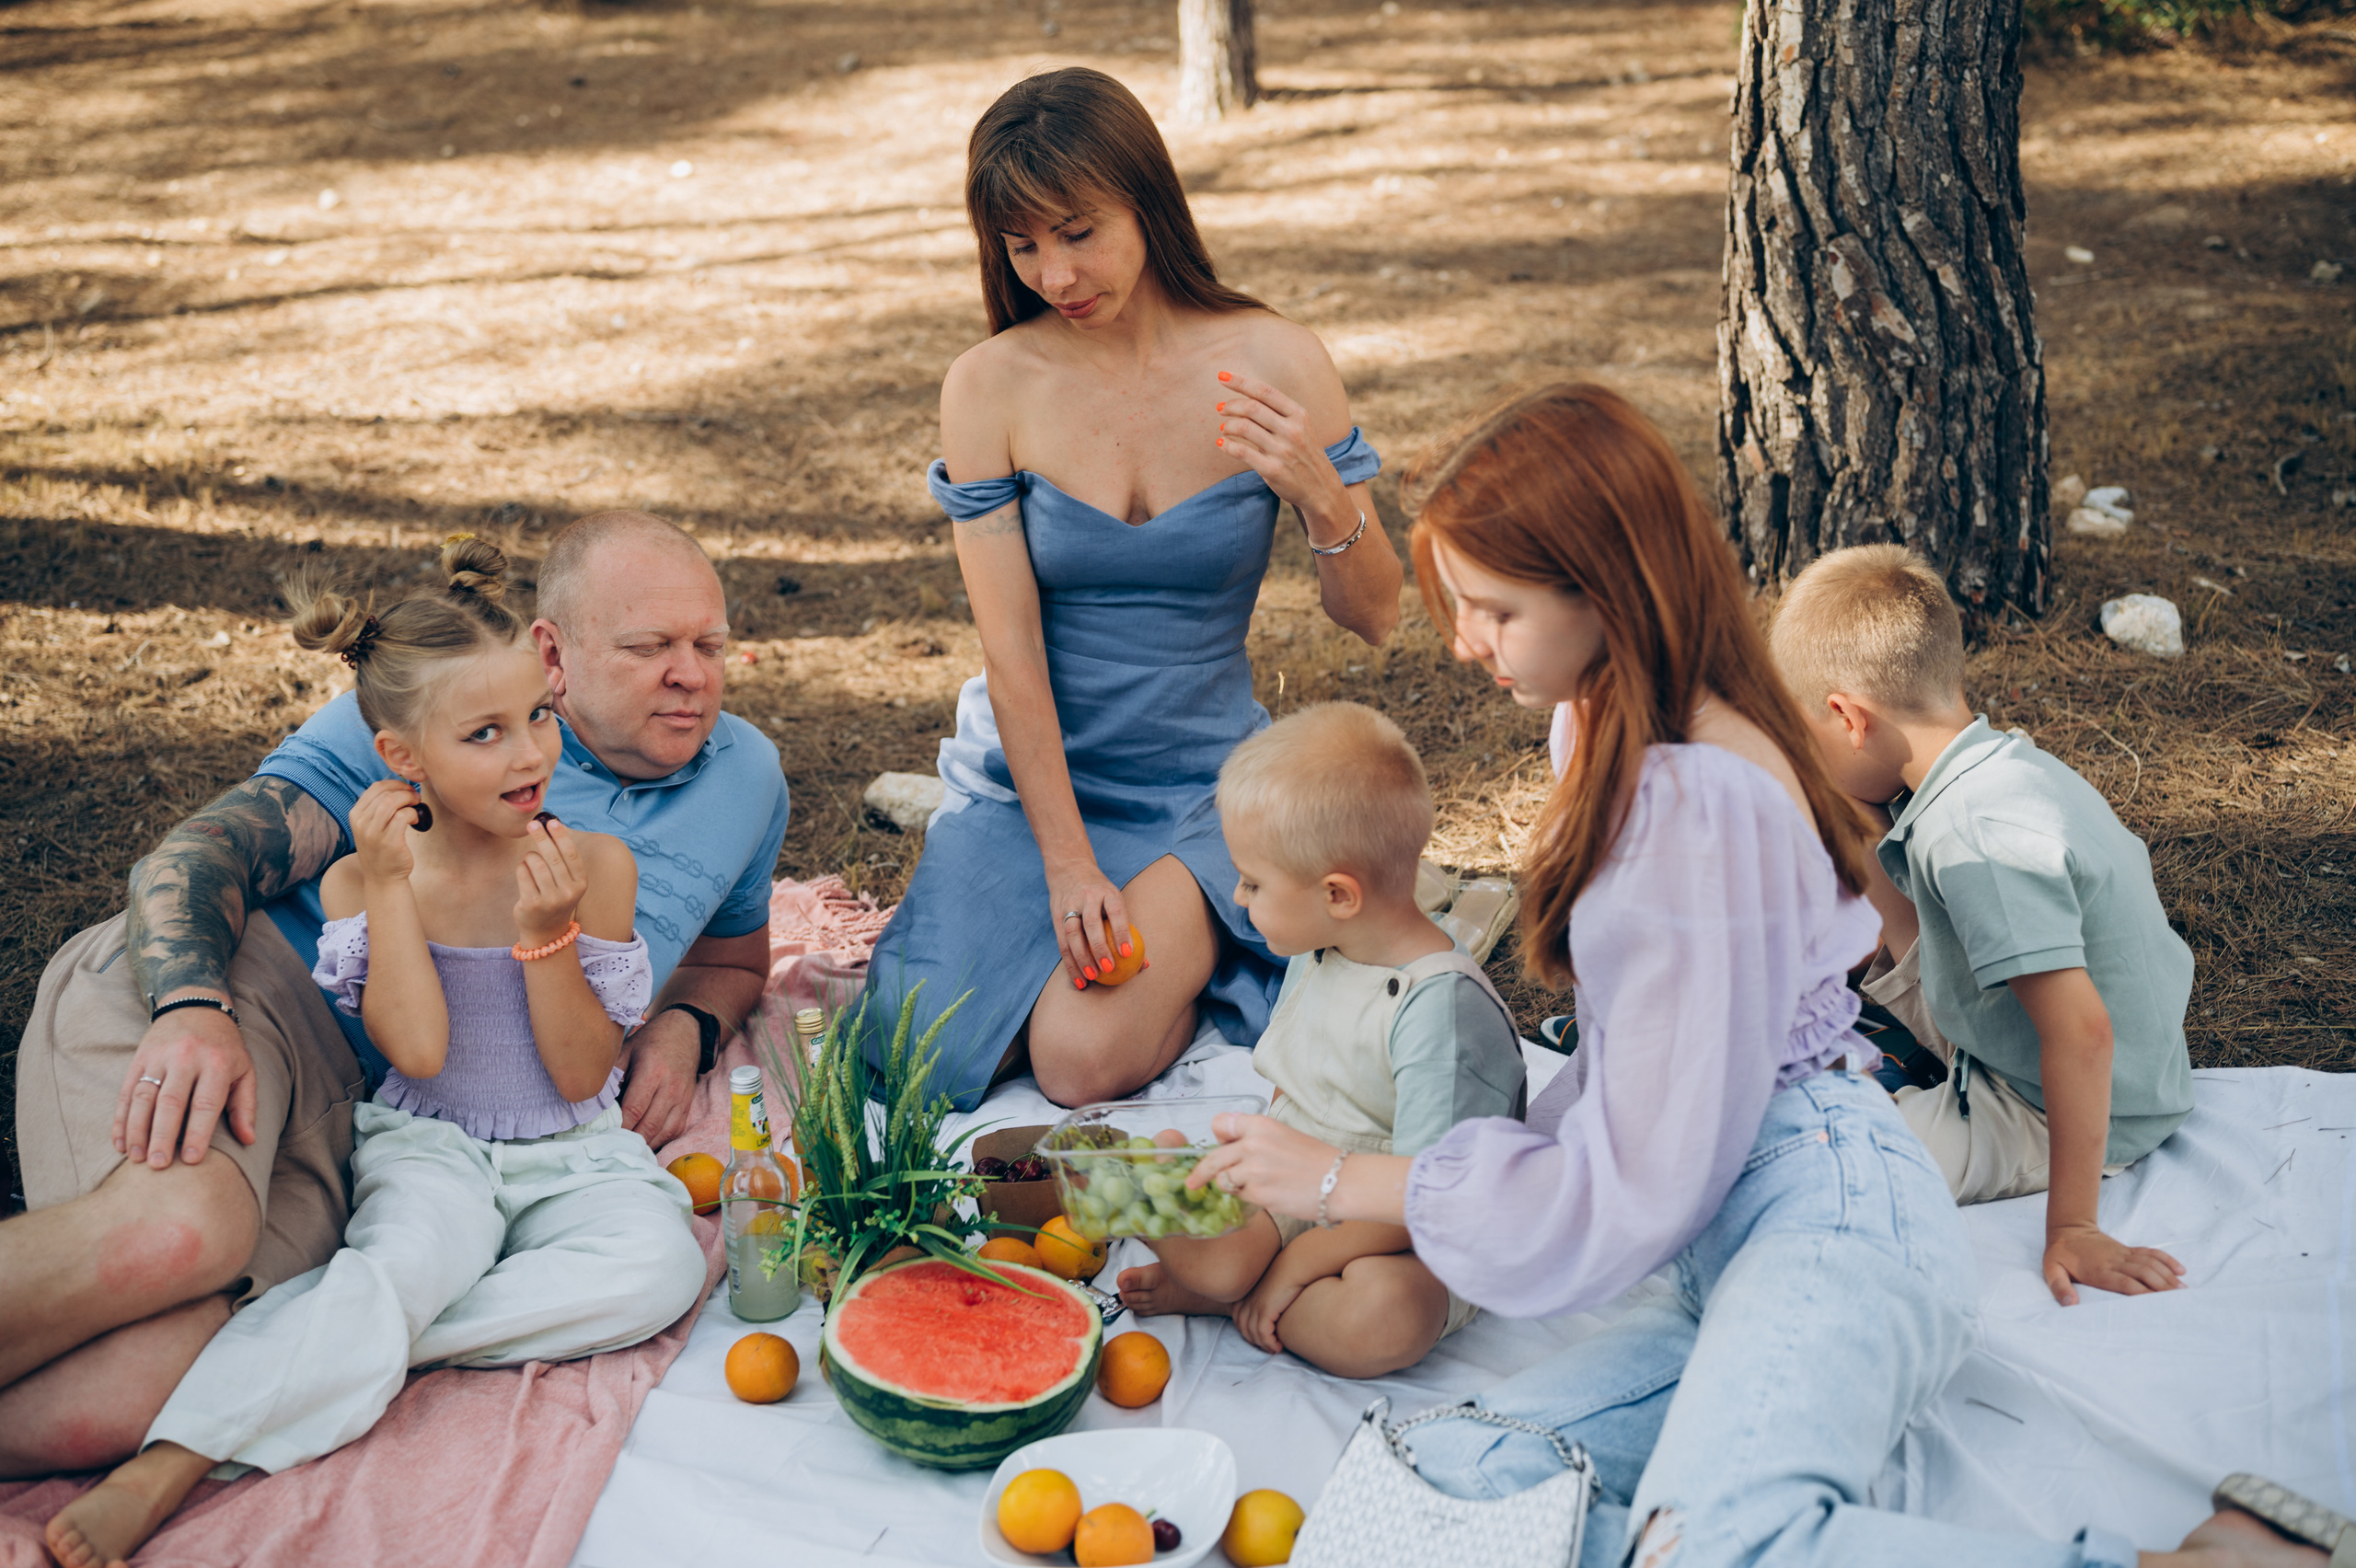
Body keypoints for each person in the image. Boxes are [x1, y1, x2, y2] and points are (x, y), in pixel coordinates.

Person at [1188, 385, 2317, 1568]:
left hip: (1828, 1216)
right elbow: (1635, 1080)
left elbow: (1644, 1174)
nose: (1464, 642)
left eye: (1493, 609)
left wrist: (1340, 1180)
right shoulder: (1604, 724)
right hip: (1725, 1254)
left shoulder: (1701, 800)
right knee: (1438, 1485)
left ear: (1604, 587)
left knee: (1724, 1548)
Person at [1, 511, 786, 1476]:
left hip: (382, 1127)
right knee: (175, 1235)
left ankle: (307, 1363)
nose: (691, 674)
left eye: (709, 644)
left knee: (137, 1385)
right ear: (553, 654)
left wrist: (685, 1026)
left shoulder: (745, 774)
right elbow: (202, 857)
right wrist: (192, 1006)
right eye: (648, 648)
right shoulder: (432, 708)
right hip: (243, 1001)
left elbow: (734, 959)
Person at [861, 66, 1405, 1111]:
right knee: (916, 1057)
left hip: (1197, 780)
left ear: (1146, 203)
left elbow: (1375, 614)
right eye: (1022, 246)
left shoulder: (1275, 358)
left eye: (1078, 232)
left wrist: (1321, 496)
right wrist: (1067, 865)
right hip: (1032, 785)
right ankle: (1157, 955)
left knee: (1078, 1058)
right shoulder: (990, 386)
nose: (1055, 274)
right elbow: (1010, 654)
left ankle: (1204, 936)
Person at [1769, 544, 2193, 1306]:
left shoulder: (1976, 836)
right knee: (1834, 804)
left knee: (1808, 1159)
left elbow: (2081, 1033)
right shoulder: (1982, 767)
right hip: (2011, 1030)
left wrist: (2074, 1226)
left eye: (1808, 735)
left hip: (2057, 1100)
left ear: (1846, 717)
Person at [1115, 703, 1524, 1377]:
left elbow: (1431, 1199)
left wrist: (1299, 1262)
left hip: (1399, 1229)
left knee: (1384, 1315)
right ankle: (1224, 1276)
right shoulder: (1323, 944)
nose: (1239, 898)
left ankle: (1236, 1296)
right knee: (1219, 1246)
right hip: (1301, 1179)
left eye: (1253, 882)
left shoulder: (1441, 1013)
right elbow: (1299, 1086)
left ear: (1338, 894)